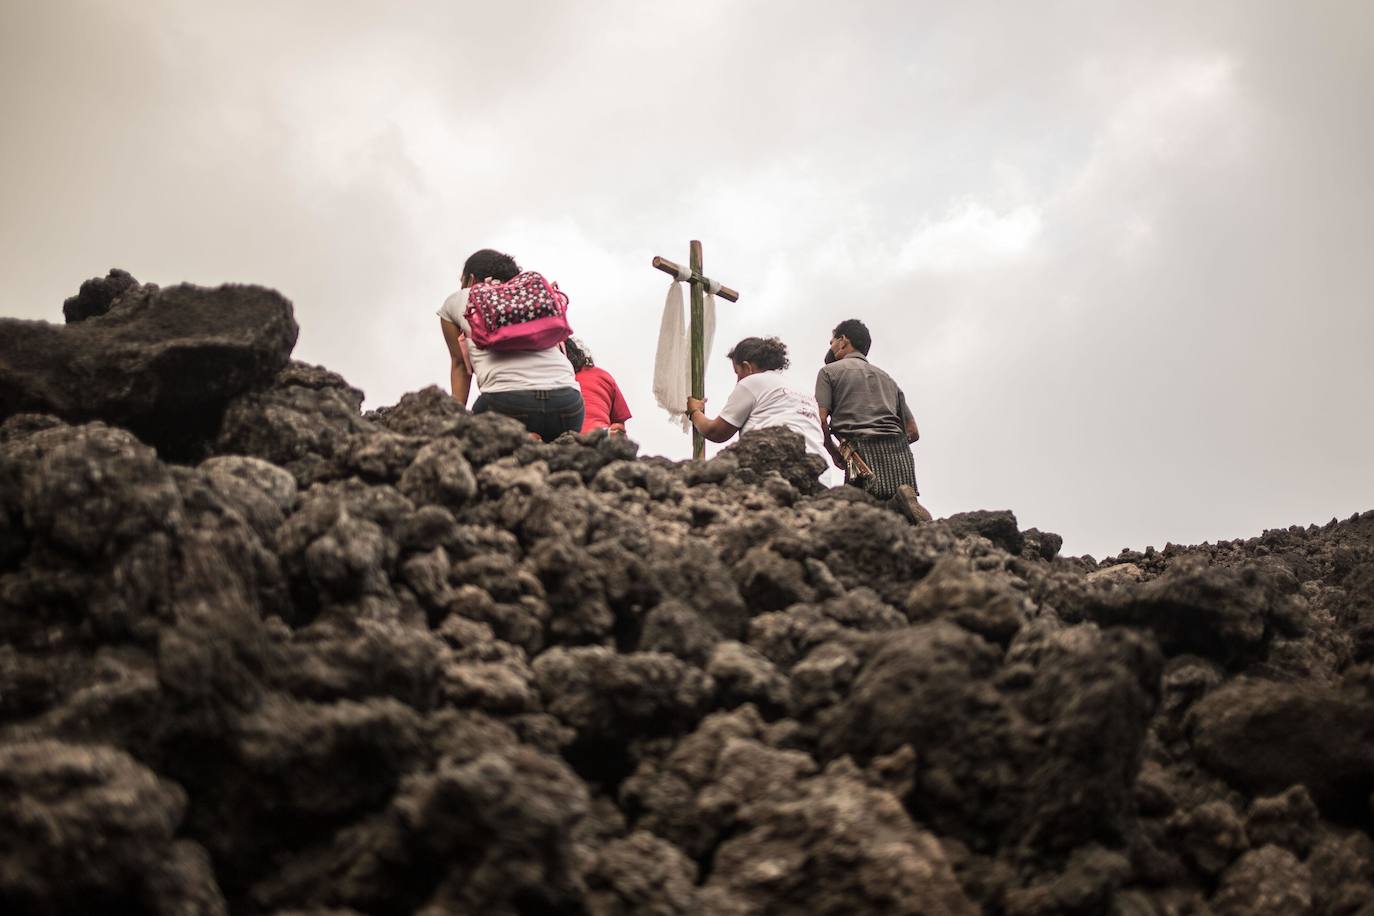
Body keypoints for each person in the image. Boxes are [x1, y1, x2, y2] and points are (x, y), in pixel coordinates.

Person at [436, 248, 584, 441]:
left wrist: (453, 425)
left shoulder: (462, 297)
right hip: (568, 405)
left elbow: (460, 365)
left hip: (506, 405)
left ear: (470, 280)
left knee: (479, 445)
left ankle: (521, 442)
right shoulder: (534, 299)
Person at [814, 318, 932, 523]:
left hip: (861, 454)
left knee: (856, 516)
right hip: (900, 453)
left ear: (843, 341)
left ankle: (897, 503)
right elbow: (913, 432)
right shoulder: (887, 378)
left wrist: (834, 452)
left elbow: (821, 421)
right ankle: (902, 500)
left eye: (832, 342)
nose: (831, 347)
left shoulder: (828, 372)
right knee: (896, 523)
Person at [685, 336, 827, 464]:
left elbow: (715, 432)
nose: (738, 380)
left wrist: (694, 412)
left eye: (738, 372)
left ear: (747, 367)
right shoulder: (803, 391)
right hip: (817, 469)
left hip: (776, 464)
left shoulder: (752, 382)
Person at [563, 338, 632, 435]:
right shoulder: (602, 375)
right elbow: (619, 422)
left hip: (566, 439)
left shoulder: (554, 380)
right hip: (600, 435)